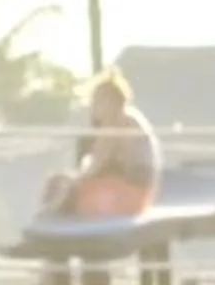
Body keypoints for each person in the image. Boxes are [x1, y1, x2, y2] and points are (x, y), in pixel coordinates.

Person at [42, 69, 158, 220]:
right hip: (132, 190)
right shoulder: (121, 120)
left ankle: (52, 221)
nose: (92, 106)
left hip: (132, 194)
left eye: (96, 101)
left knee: (65, 188)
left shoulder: (120, 122)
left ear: (111, 101)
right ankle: (51, 217)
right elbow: (96, 161)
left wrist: (72, 181)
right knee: (62, 183)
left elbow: (97, 163)